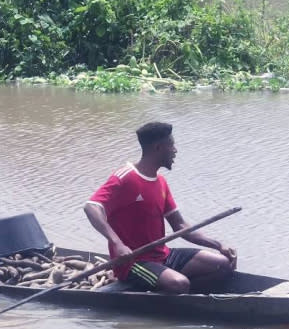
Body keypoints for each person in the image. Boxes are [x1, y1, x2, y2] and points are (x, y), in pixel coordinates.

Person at [83, 122, 237, 294]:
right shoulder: (126, 177)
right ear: (158, 147)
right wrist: (117, 244)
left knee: (222, 264)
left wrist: (218, 245)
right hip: (133, 262)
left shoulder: (161, 182)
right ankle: (175, 294)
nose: (175, 150)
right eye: (171, 145)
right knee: (179, 284)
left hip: (163, 255)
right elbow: (92, 207)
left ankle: (183, 299)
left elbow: (181, 227)